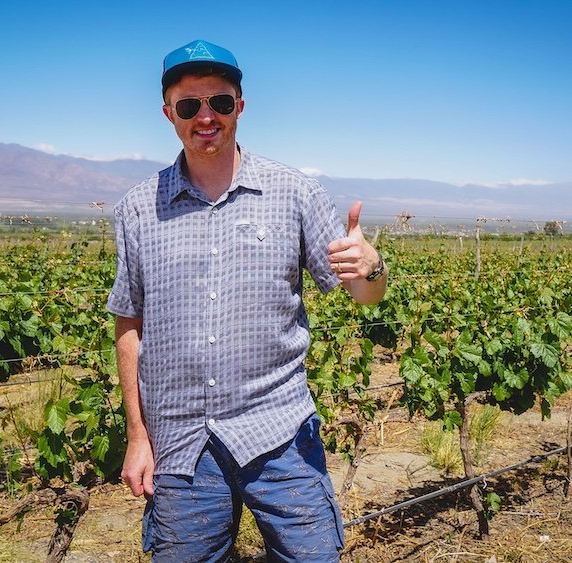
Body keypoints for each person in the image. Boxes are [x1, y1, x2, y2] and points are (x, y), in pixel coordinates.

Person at [107, 39, 387, 562]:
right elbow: (129, 325)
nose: (205, 116)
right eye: (190, 105)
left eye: (220, 102)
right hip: (180, 443)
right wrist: (137, 434)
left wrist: (371, 267)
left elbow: (363, 294)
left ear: (241, 104)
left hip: (278, 431)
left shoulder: (295, 192)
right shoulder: (137, 210)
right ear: (169, 113)